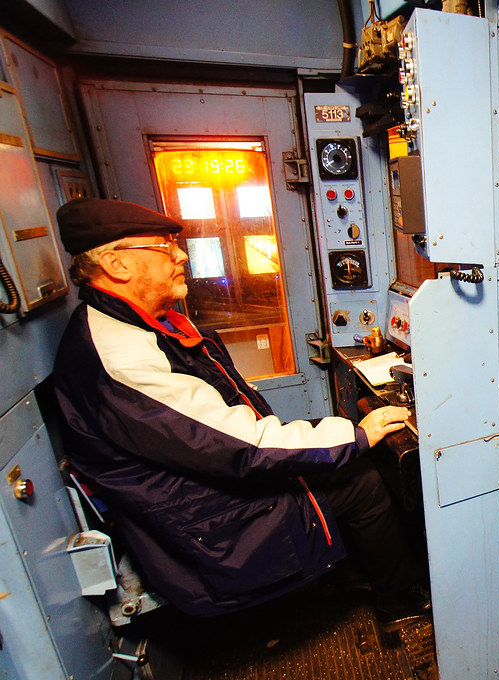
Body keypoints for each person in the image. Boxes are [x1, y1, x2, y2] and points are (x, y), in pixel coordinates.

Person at [50, 197, 429, 625]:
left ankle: (360, 571)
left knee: (333, 451)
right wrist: (355, 435)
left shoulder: (127, 324)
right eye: (162, 246)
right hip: (205, 523)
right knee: (361, 480)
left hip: (198, 488)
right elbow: (242, 446)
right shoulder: (121, 356)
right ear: (117, 265)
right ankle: (402, 603)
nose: (180, 255)